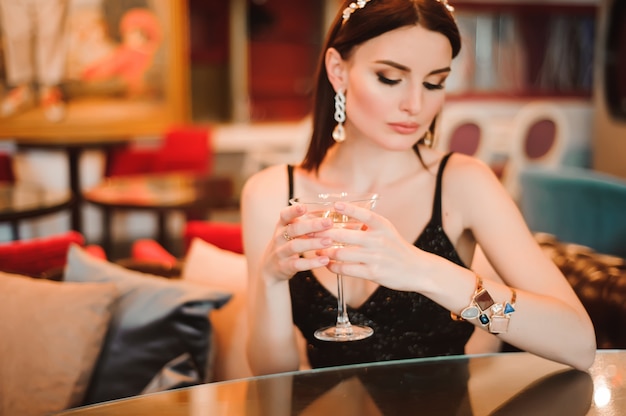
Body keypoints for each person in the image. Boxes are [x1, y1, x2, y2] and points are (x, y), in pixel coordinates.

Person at [241, 0, 596, 376]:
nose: (415, 104)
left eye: (434, 83)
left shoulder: (464, 182)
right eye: (390, 78)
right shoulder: (272, 194)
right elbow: (271, 377)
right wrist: (270, 280)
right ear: (338, 70)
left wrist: (425, 270)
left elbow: (576, 342)